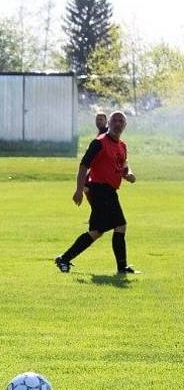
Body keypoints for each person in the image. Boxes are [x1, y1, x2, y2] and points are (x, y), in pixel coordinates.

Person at [54, 111, 138, 274]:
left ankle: (64, 258)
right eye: (115, 120)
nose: (118, 123)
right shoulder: (99, 143)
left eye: (122, 121)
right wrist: (79, 190)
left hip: (110, 191)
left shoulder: (122, 146)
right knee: (120, 224)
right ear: (109, 123)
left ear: (125, 125)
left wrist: (128, 175)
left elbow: (123, 166)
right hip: (99, 190)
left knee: (96, 232)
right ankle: (122, 268)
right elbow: (84, 165)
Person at [84, 112, 109, 205]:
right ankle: (97, 210)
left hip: (104, 167)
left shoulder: (107, 133)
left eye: (101, 119)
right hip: (97, 167)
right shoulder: (101, 133)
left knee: (88, 186)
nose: (98, 121)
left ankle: (98, 210)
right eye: (97, 119)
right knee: (87, 186)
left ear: (106, 121)